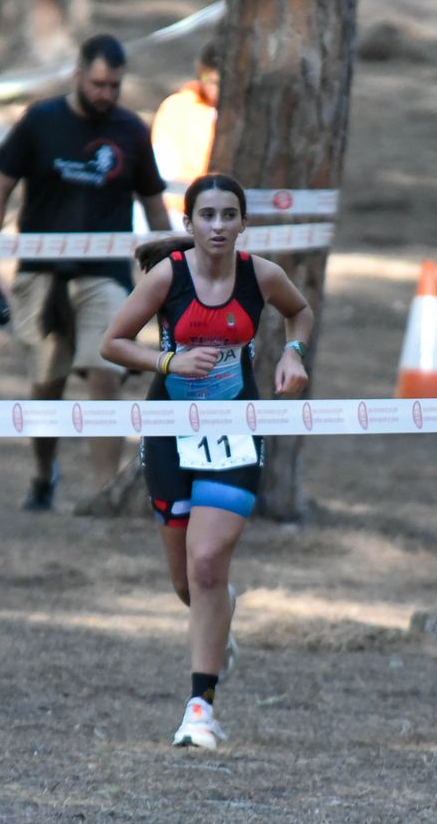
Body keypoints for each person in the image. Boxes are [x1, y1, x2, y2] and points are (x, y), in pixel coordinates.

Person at [100, 173, 314, 750]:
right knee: (186, 581)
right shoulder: (168, 276)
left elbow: (301, 313)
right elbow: (112, 343)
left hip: (236, 432)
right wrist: (170, 364)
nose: (218, 226)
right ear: (190, 223)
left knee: (208, 562)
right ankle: (219, 620)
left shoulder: (262, 276)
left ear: (244, 223)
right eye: (207, 216)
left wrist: (292, 353)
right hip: (170, 434)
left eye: (229, 215)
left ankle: (201, 707)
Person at [0, 34, 172, 511]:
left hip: (104, 275)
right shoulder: (41, 122)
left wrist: (172, 274)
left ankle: (105, 494)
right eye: (99, 83)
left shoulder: (130, 131)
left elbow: (155, 210)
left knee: (103, 372)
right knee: (46, 386)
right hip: (39, 275)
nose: (106, 93)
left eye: (114, 86)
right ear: (78, 75)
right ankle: (44, 477)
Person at [150, 43, 220, 223]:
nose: (217, 89)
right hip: (179, 213)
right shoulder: (177, 108)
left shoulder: (245, 114)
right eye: (211, 81)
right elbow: (163, 167)